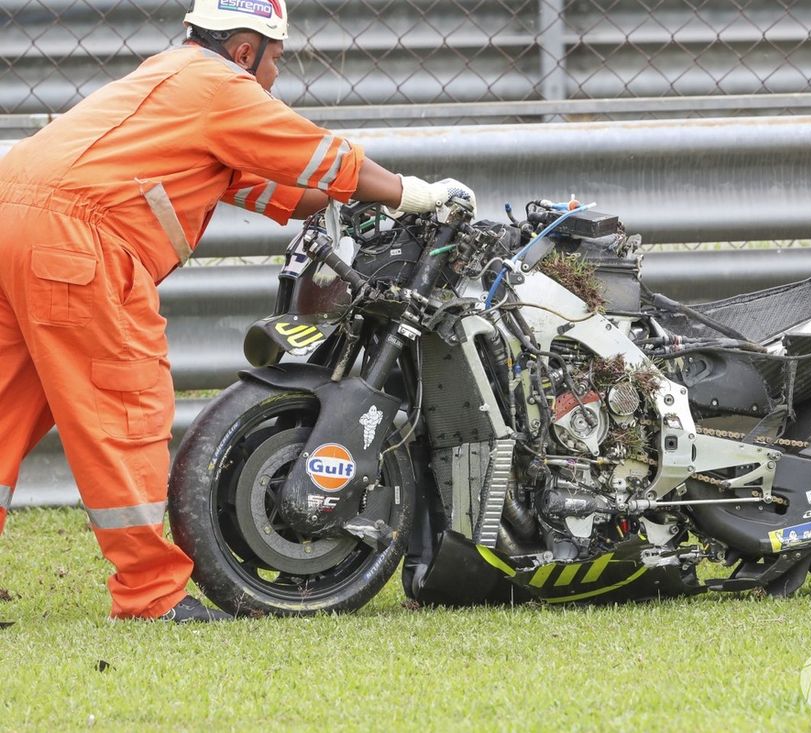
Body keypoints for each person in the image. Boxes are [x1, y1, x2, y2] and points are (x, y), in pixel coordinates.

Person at [0, 0, 473, 622]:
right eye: (276, 60)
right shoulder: (220, 85)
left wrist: (347, 203)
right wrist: (415, 194)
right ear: (245, 50)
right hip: (77, 245)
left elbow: (280, 187)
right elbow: (325, 157)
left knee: (6, 408)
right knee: (124, 410)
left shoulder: (166, 77)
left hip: (13, 220)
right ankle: (149, 595)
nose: (275, 76)